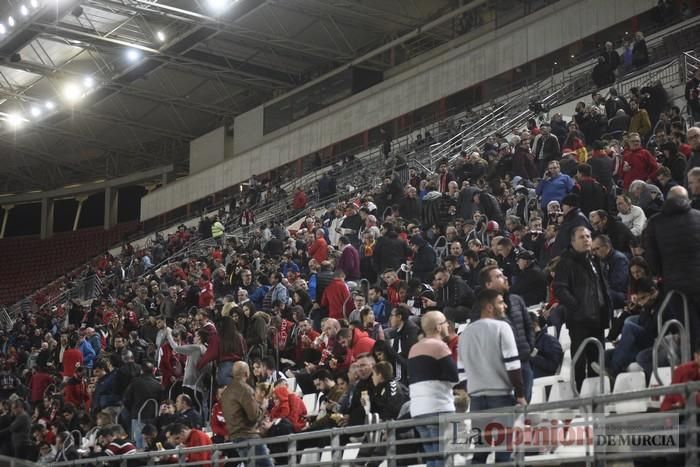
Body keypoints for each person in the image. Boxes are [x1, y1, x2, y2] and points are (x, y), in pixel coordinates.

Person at [460, 289, 525, 464]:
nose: (504, 306)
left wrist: (472, 389)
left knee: (481, 450)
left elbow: (461, 371)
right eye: (500, 302)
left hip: (476, 400)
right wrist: (520, 394)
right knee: (504, 450)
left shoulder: (465, 333)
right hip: (501, 397)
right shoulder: (502, 327)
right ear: (489, 307)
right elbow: (513, 364)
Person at [554, 226, 611, 389]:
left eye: (588, 236)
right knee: (579, 360)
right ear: (572, 242)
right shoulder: (566, 262)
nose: (586, 239)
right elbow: (560, 289)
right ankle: (580, 393)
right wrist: (577, 306)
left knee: (596, 360)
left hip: (598, 317)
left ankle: (595, 392)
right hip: (579, 319)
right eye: (581, 237)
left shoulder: (595, 260)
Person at [645, 186, 700, 349]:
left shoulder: (655, 222)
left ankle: (693, 366)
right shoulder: (698, 217)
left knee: (688, 330)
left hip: (676, 286)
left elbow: (651, 258)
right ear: (687, 199)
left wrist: (664, 273)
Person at [408, 311, 459, 467]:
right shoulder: (439, 346)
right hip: (439, 407)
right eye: (445, 323)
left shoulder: (413, 349)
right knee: (444, 458)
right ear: (438, 327)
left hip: (418, 411)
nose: (447, 326)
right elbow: (454, 376)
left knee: (432, 458)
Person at [477, 265, 534, 401]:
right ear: (488, 284)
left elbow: (529, 326)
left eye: (502, 275)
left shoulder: (516, 300)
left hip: (523, 362)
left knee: (524, 408)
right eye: (499, 276)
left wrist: (528, 347)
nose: (505, 278)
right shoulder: (480, 309)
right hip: (499, 369)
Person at [220, 361, 272, 467]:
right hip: (248, 437)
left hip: (235, 438)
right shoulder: (245, 389)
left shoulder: (225, 392)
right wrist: (264, 406)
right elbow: (254, 416)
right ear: (247, 373)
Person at [592, 235, 629, 309]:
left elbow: (618, 284)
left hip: (622, 294)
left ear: (607, 246)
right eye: (593, 250)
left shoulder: (619, 259)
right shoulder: (602, 260)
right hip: (610, 291)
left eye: (597, 249)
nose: (594, 253)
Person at [387, 304, 419, 385]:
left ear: (399, 317)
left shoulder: (412, 330)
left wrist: (393, 353)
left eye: (392, 316)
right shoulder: (397, 331)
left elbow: (408, 354)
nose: (390, 319)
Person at [529, 312, 564, 378]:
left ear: (534, 324)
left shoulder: (549, 340)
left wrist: (532, 355)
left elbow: (553, 366)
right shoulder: (532, 342)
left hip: (542, 384)